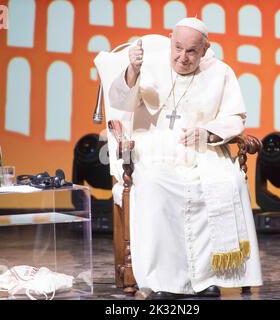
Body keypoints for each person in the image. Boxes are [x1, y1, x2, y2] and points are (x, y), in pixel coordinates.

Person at [108, 17, 263, 299]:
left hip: (203, 153)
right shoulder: (149, 66)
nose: (182, 57)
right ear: (170, 40)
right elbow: (121, 103)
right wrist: (132, 69)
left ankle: (209, 278)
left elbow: (235, 117)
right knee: (154, 185)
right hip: (156, 151)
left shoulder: (221, 73)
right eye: (177, 48)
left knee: (230, 184)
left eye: (191, 51)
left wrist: (207, 132)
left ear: (205, 49)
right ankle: (163, 281)